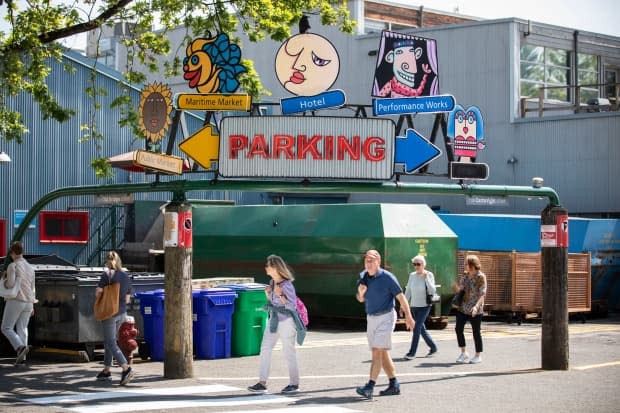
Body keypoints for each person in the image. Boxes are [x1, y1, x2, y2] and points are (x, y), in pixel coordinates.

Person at [355, 249, 414, 400]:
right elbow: (360, 299)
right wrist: (361, 294)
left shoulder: (387, 277)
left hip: (386, 317)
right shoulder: (363, 276)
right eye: (366, 260)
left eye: (371, 260)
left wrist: (408, 316)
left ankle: (369, 387)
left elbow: (401, 297)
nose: (368, 263)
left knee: (376, 351)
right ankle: (394, 384)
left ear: (378, 262)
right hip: (371, 318)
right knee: (382, 352)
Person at [248, 254, 305, 394]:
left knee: (288, 352)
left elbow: (292, 307)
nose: (266, 267)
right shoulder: (272, 282)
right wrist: (268, 294)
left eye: (268, 265)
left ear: (276, 268)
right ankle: (262, 383)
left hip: (287, 322)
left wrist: (280, 295)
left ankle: (294, 384)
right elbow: (273, 304)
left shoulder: (287, 285)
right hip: (273, 320)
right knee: (265, 349)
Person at [95, 251, 135, 385]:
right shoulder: (125, 276)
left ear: (106, 262)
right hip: (122, 313)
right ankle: (106, 371)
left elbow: (98, 292)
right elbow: (128, 299)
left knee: (110, 342)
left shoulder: (106, 275)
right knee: (109, 342)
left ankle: (126, 368)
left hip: (109, 313)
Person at [1, 241, 36, 365]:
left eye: (10, 253)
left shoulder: (13, 266)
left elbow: (10, 284)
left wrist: (4, 279)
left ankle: (20, 347)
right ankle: (22, 359)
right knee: (23, 328)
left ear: (13, 253)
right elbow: (33, 287)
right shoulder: (31, 268)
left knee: (6, 327)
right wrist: (32, 304)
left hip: (16, 300)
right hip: (29, 302)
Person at [403, 255, 438, 360]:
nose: (416, 266)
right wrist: (403, 304)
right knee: (421, 329)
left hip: (425, 306)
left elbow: (432, 291)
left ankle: (412, 352)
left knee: (416, 328)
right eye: (415, 264)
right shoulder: (412, 275)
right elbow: (408, 290)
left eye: (419, 264)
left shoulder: (429, 274)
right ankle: (433, 347)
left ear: (424, 264)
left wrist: (426, 278)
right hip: (414, 306)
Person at [454, 254, 487, 364]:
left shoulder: (480, 277)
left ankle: (478, 355)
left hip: (475, 309)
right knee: (458, 329)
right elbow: (461, 289)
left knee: (476, 332)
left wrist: (476, 307)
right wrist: (458, 289)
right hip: (463, 307)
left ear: (472, 265)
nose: (464, 266)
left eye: (466, 264)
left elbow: (482, 294)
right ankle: (464, 353)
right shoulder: (464, 276)